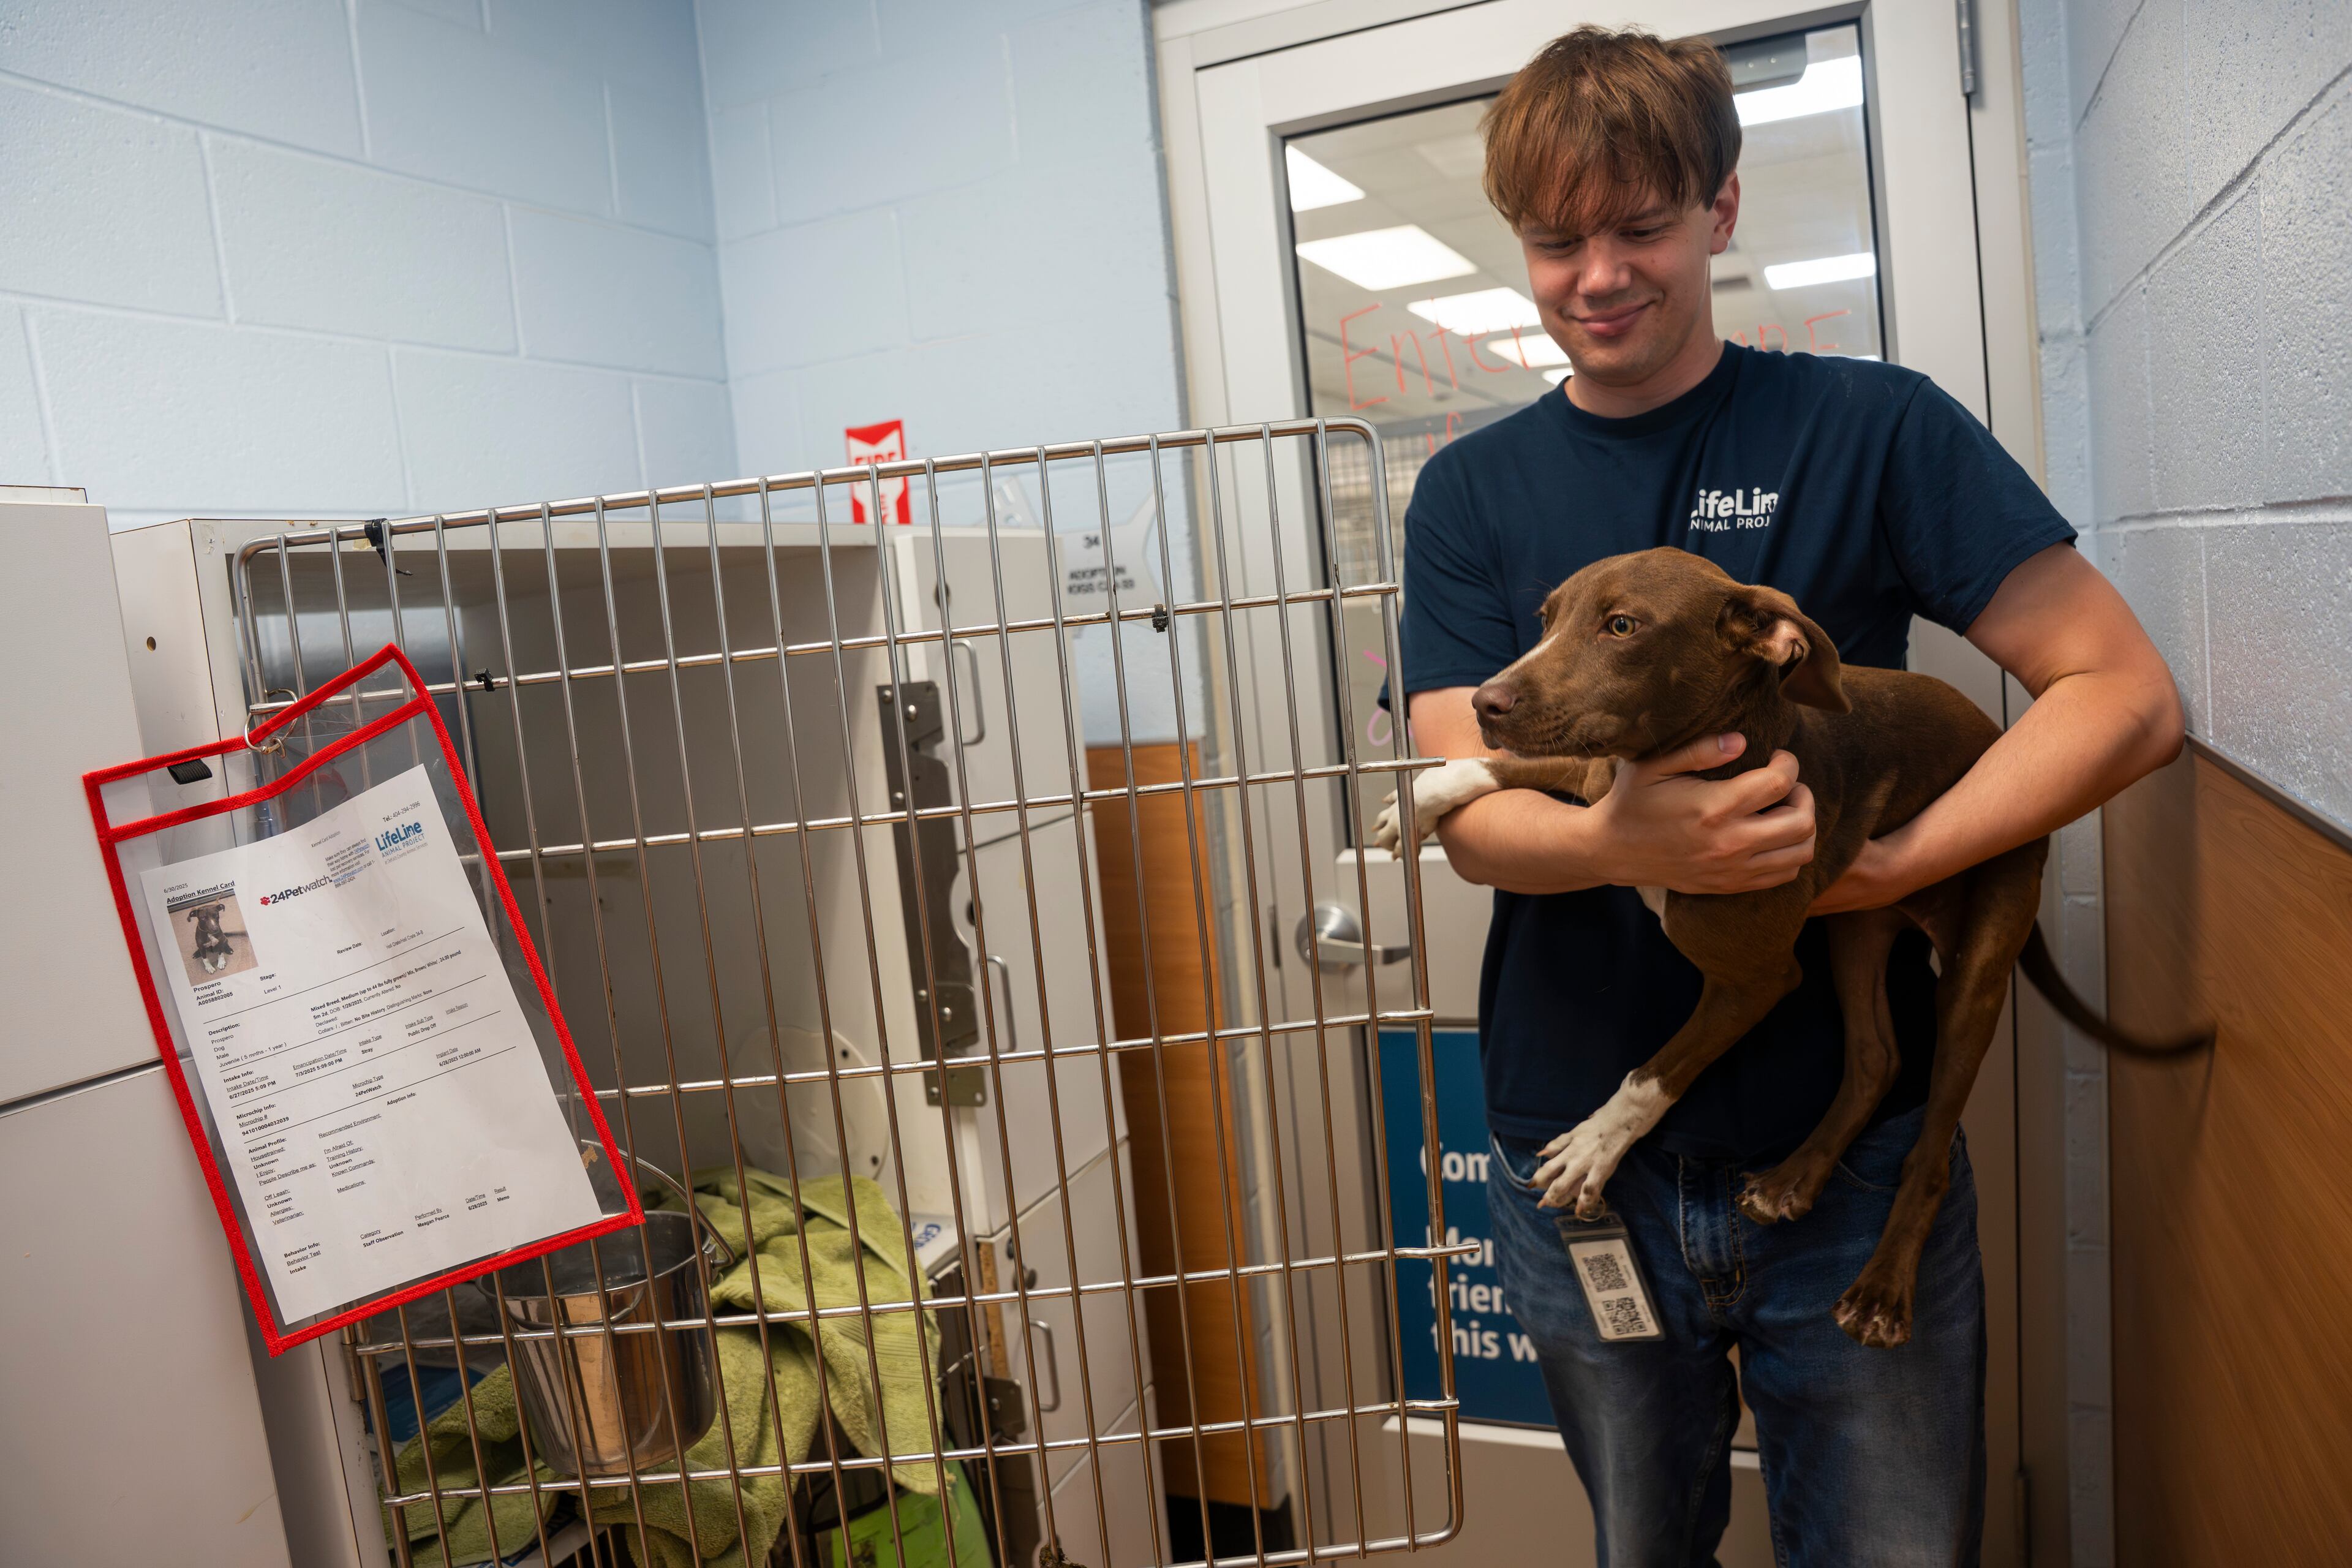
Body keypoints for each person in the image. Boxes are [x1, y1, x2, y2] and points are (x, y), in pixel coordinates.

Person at [1395, 26, 2184, 1567]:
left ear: (1721, 209)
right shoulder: (1471, 495)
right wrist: (1626, 837)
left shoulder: (1871, 425)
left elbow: (2124, 693)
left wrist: (1890, 867)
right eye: (1557, 240)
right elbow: (1470, 805)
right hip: (1581, 1162)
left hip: (1848, 1159)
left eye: (1640, 225)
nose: (1597, 274)